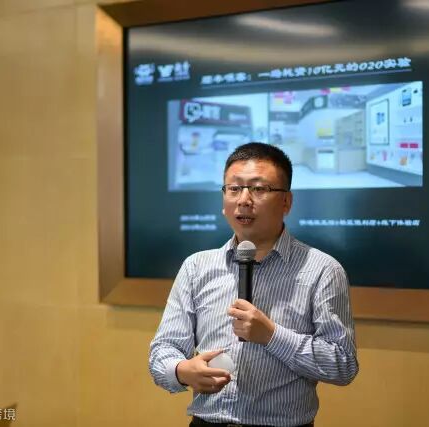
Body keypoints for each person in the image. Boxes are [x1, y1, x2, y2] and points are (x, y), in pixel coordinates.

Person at [149, 142, 358, 427]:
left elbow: (343, 365)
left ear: (286, 202)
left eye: (259, 189)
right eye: (234, 189)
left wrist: (272, 335)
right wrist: (183, 370)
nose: (244, 200)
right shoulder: (197, 267)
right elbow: (164, 349)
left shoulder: (322, 270)